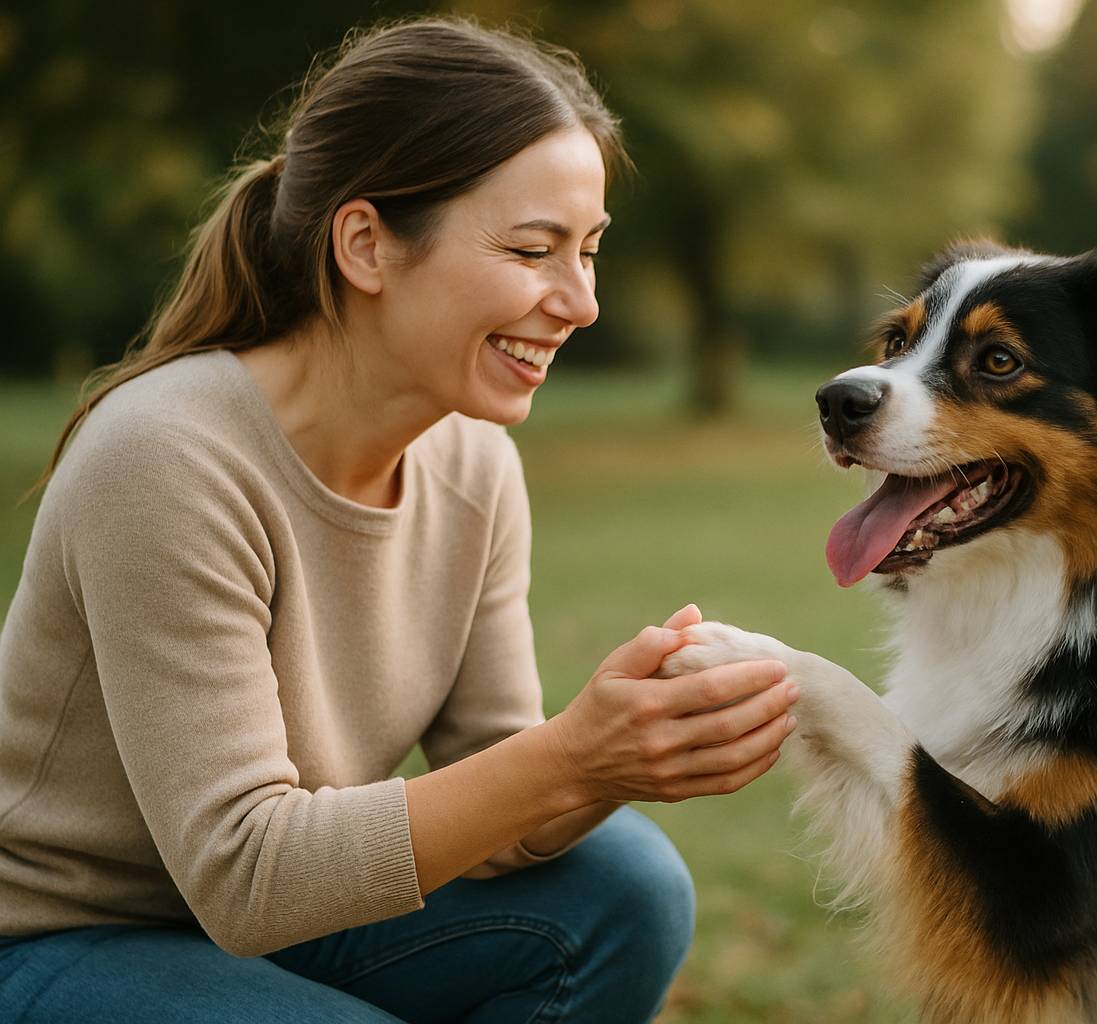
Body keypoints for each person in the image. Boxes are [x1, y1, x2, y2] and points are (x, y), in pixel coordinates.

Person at [0, 17, 800, 1023]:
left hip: (284, 912)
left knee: (624, 889)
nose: (581, 301)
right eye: (532, 249)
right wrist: (568, 757)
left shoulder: (474, 467)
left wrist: (613, 763)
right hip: (57, 935)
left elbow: (499, 808)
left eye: (589, 251)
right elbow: (248, 874)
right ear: (368, 244)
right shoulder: (166, 457)